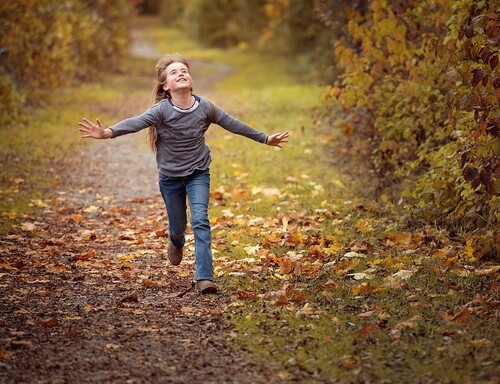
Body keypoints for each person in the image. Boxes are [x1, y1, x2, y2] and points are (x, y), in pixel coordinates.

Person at [78, 53, 289, 294]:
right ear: (166, 86)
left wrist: (264, 138)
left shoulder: (205, 107)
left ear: (190, 80)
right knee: (178, 227)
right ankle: (176, 241)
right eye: (174, 72)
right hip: (170, 178)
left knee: (200, 220)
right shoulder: (161, 110)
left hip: (198, 172)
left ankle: (204, 278)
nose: (181, 73)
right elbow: (136, 122)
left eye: (184, 71)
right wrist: (108, 132)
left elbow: (233, 123)